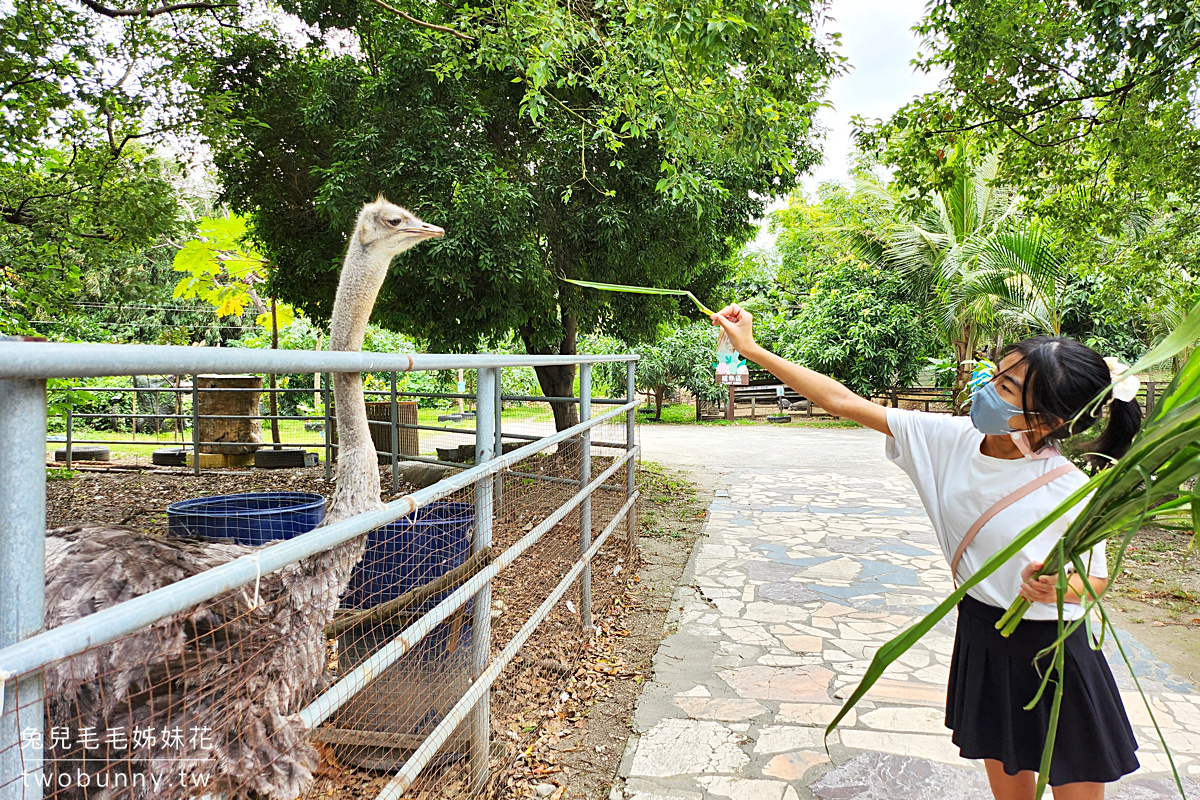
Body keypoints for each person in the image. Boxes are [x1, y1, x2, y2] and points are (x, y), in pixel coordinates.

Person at [711, 304, 1142, 800]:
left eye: (1004, 388)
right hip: (986, 633)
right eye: (996, 374)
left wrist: (1056, 588)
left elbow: (1095, 579)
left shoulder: (1069, 489)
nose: (986, 389)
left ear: (1046, 420)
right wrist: (750, 349)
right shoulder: (951, 438)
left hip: (1055, 651)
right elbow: (841, 401)